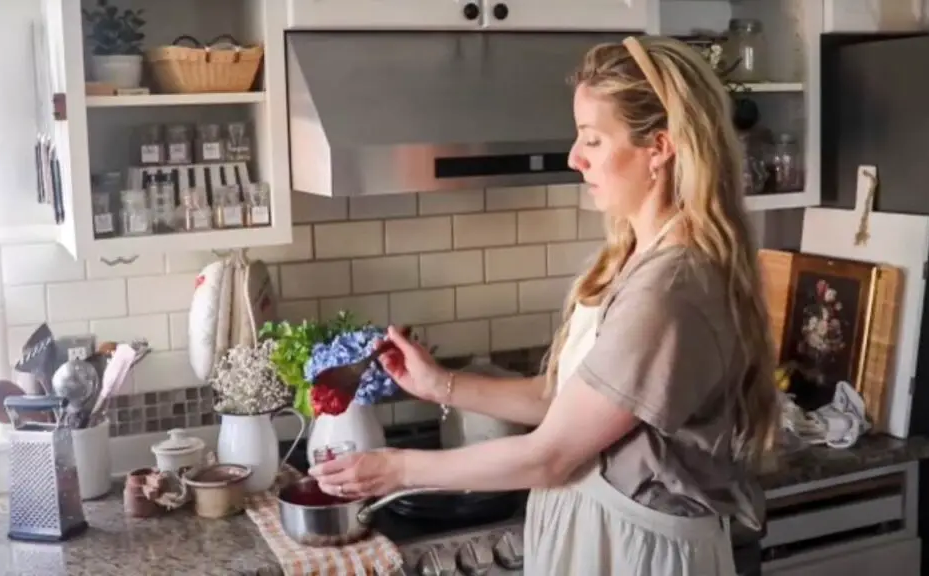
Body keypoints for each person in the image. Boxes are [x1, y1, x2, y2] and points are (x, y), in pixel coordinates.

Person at [310, 35, 778, 575]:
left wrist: (398, 469)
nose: (575, 158)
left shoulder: (669, 288)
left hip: (635, 554)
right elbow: (564, 402)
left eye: (593, 140)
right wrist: (441, 385)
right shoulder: (637, 256)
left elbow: (551, 456)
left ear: (660, 147)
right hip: (602, 535)